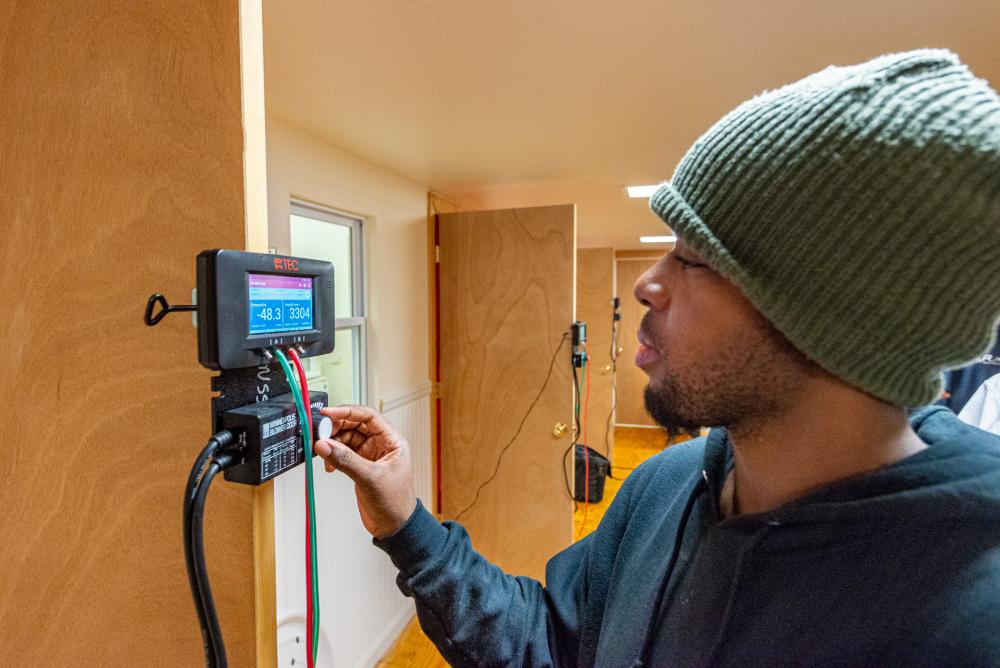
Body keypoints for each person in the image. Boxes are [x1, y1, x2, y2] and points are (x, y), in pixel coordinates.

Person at [316, 49, 1000, 666]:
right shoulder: (669, 485)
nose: (648, 284)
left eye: (694, 257)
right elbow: (549, 640)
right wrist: (406, 520)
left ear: (834, 312)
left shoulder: (968, 618)